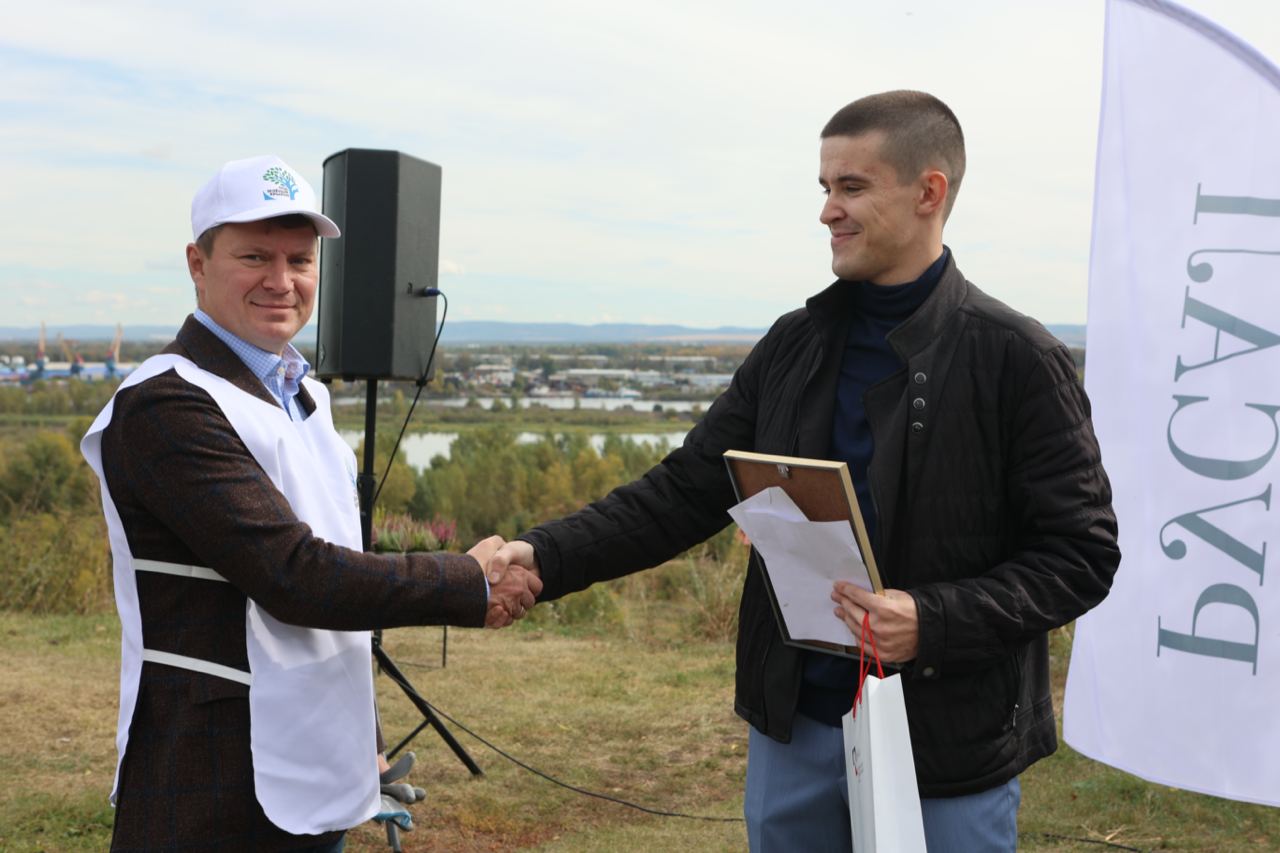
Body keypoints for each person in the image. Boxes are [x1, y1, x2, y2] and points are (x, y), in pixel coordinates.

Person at [486, 91, 1120, 851]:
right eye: (825, 187)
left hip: (950, 743)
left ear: (929, 192)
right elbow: (683, 492)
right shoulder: (794, 344)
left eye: (852, 186)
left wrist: (934, 620)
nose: (828, 211)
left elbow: (1081, 554)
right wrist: (543, 555)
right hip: (795, 727)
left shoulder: (1017, 358)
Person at [80, 155, 542, 851]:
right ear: (197, 263)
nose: (281, 280)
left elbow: (340, 570)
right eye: (254, 256)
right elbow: (295, 574)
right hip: (214, 781)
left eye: (300, 259)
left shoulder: (305, 395)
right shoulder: (165, 403)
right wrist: (466, 579)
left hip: (316, 766)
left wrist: (365, 742)